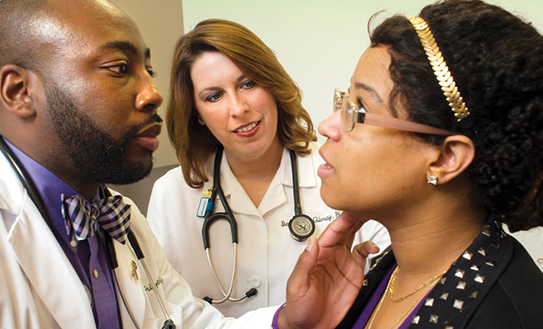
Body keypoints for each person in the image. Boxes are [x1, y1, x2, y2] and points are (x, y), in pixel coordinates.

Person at [0, 0, 376, 329]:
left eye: (146, 68)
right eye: (119, 69)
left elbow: (187, 325)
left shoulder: (119, 222)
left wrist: (287, 321)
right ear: (18, 92)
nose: (153, 93)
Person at [316, 0, 543, 329]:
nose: (327, 126)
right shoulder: (389, 271)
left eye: (358, 111)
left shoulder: (515, 319)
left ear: (446, 159)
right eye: (343, 101)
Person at [146, 19, 390, 317]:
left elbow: (392, 290)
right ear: (197, 114)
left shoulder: (344, 172)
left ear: (272, 83)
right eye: (214, 96)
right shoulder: (172, 194)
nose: (238, 109)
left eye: (247, 83)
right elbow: (161, 312)